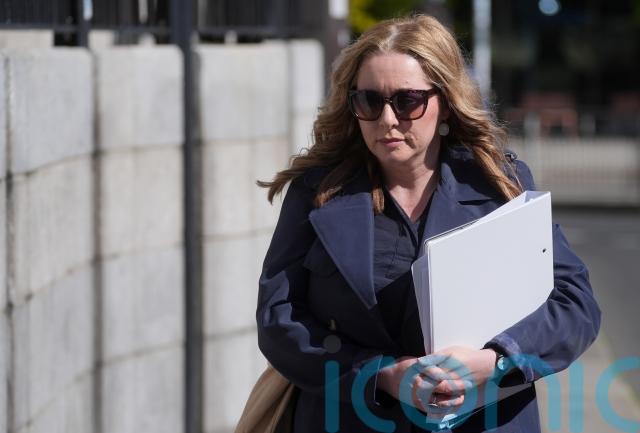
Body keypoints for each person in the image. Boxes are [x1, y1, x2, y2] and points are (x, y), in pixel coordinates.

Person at [255, 15, 600, 433]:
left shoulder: (500, 184)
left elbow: (574, 304)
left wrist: (496, 359)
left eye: (407, 101)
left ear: (446, 103)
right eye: (369, 101)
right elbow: (278, 320)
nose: (387, 119)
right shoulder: (317, 192)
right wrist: (380, 375)